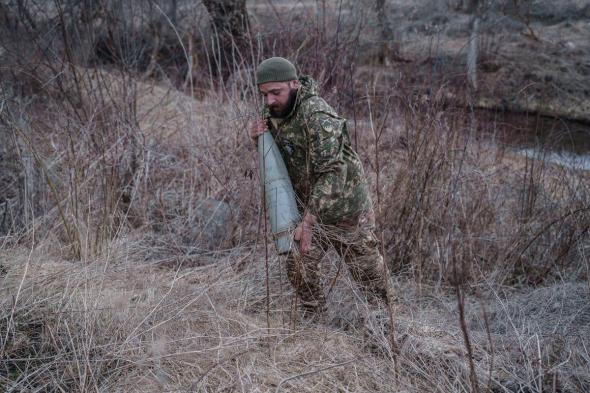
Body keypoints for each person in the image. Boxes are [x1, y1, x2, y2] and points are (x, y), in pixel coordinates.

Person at [249, 57, 389, 318]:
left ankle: (390, 329)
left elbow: (334, 172)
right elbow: (278, 161)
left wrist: (309, 223)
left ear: (295, 84)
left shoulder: (317, 115)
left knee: (370, 278)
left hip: (345, 209)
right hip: (310, 207)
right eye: (264, 94)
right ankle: (317, 324)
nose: (269, 101)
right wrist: (257, 139)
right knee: (299, 265)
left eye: (275, 93)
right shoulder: (274, 111)